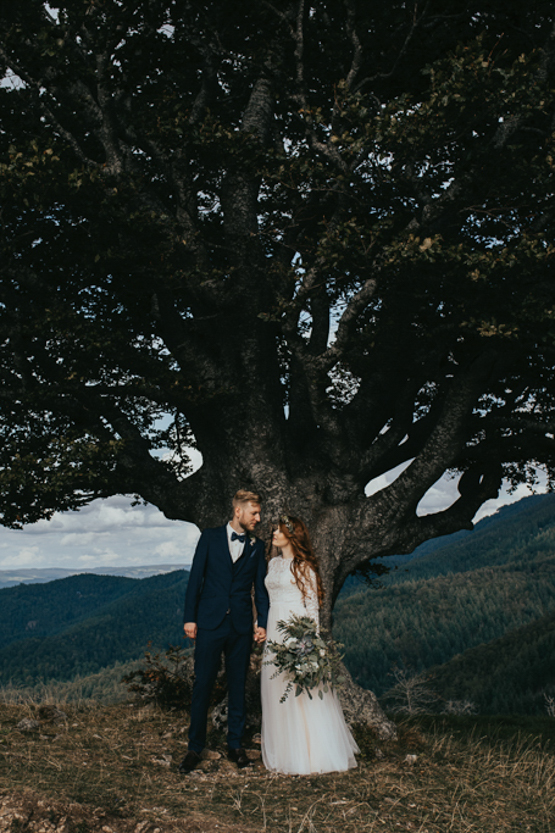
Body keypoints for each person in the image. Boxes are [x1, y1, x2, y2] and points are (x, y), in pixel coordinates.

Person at [179, 490, 269, 774]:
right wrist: (190, 618)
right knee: (202, 684)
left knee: (237, 685)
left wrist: (262, 622)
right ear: (238, 511)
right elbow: (196, 578)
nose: (258, 518)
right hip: (209, 622)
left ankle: (235, 745)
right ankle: (194, 747)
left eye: (259, 513)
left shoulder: (257, 546)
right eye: (254, 513)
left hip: (241, 626)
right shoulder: (210, 537)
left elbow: (260, 588)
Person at [261, 514, 359, 775]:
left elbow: (312, 607)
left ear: (292, 535)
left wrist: (309, 642)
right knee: (277, 687)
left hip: (296, 628)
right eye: (274, 530)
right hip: (274, 627)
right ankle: (285, 751)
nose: (274, 534)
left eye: (279, 530)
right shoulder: (272, 564)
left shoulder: (304, 566)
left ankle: (311, 754)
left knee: (301, 690)